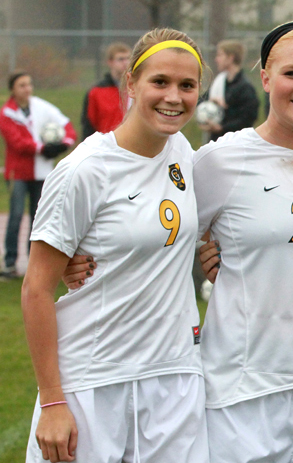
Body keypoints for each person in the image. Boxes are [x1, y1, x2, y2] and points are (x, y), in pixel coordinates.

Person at [20, 28, 208, 463]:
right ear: (131, 83)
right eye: (159, 82)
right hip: (94, 380)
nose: (174, 97)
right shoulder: (84, 170)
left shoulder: (181, 150)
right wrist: (52, 401)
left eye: (187, 85)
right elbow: (35, 289)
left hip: (173, 378)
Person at [191, 21, 293, 462]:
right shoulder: (221, 159)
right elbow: (167, 235)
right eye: (292, 73)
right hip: (243, 392)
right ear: (265, 77)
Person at [0, 73, 77, 278]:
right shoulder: (7, 112)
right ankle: (9, 264)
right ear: (13, 89)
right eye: (21, 85)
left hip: (42, 173)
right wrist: (42, 148)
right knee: (16, 216)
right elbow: (17, 142)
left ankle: (33, 265)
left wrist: (62, 145)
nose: (27, 88)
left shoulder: (42, 106)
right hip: (18, 173)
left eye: (29, 84)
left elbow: (69, 129)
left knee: (38, 219)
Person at [199, 39, 260, 141]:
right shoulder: (219, 83)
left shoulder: (245, 88)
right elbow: (200, 100)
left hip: (236, 144)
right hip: (216, 141)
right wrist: (211, 102)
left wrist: (222, 128)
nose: (216, 59)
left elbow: (248, 120)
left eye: (220, 55)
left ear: (230, 58)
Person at [81, 42, 130, 138]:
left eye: (128, 58)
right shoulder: (96, 92)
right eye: (120, 59)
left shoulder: (136, 89)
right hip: (106, 145)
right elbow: (89, 125)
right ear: (110, 62)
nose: (126, 63)